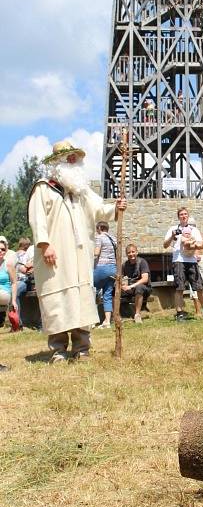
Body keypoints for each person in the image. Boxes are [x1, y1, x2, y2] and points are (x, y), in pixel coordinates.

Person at [28, 139, 126, 363]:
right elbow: (37, 220)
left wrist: (116, 208)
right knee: (57, 300)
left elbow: (101, 209)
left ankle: (82, 348)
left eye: (75, 157)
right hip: (54, 255)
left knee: (81, 298)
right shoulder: (43, 188)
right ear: (57, 162)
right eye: (68, 157)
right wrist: (45, 245)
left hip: (80, 256)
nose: (73, 160)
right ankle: (59, 349)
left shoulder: (82, 191)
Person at [163, 207, 203, 321]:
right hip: (178, 260)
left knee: (199, 287)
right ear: (178, 217)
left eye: (185, 214)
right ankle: (180, 313)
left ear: (188, 216)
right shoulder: (173, 228)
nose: (183, 216)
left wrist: (191, 244)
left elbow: (201, 245)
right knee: (179, 288)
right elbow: (165, 245)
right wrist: (173, 236)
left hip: (191, 260)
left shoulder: (194, 230)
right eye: (181, 214)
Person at [93, 222, 117, 329]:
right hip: (113, 269)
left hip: (102, 267)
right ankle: (107, 321)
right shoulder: (114, 239)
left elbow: (97, 253)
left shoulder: (100, 237)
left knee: (91, 290)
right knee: (107, 295)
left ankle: (92, 321)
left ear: (99, 228)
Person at [120, 244, 151, 323]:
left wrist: (131, 286)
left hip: (145, 288)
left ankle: (137, 315)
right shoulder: (125, 265)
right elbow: (120, 278)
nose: (131, 254)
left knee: (139, 287)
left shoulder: (142, 262)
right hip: (131, 288)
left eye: (133, 252)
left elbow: (145, 279)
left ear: (137, 252)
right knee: (113, 290)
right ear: (126, 254)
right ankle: (116, 316)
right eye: (129, 252)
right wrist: (122, 285)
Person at [16, 237, 34, 329]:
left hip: (24, 281)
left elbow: (27, 270)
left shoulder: (19, 255)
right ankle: (17, 322)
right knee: (14, 292)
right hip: (19, 281)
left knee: (15, 292)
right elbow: (27, 269)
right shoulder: (23, 255)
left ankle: (18, 323)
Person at [0, 238, 18, 328]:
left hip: (4, 293)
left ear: (5, 252)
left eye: (3, 249)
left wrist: (14, 301)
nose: (0, 251)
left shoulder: (9, 264)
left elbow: (14, 282)